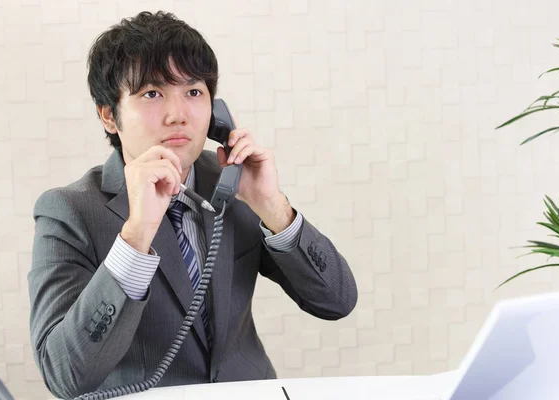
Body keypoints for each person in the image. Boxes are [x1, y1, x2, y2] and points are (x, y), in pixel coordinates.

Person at [28, 10, 357, 399]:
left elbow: (337, 301)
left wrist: (272, 206)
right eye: (152, 93)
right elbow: (65, 375)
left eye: (194, 92)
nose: (178, 114)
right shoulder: (68, 211)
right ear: (108, 116)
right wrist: (136, 237)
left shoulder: (232, 184)